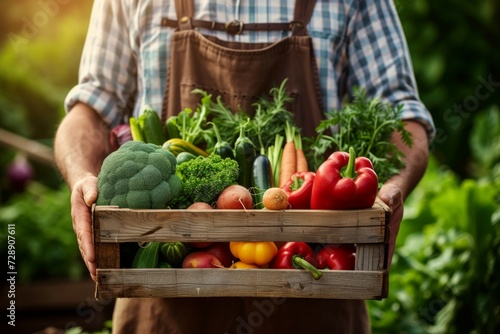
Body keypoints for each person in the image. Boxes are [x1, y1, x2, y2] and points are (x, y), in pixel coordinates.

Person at [54, 0, 435, 333]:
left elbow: (400, 111)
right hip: (162, 303)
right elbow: (90, 108)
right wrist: (81, 175)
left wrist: (391, 185)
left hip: (315, 285)